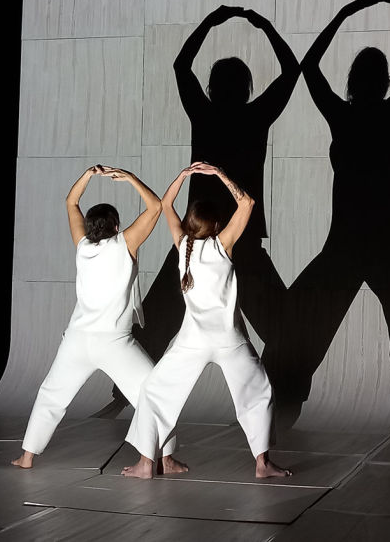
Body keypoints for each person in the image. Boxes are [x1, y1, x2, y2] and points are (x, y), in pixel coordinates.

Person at [262, 0, 390, 434]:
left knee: (310, 317)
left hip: (349, 242)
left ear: (353, 81)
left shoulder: (342, 115)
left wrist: (346, 13)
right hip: (382, 242)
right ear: (384, 82)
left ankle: (287, 396)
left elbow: (309, 65)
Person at [114, 5, 299, 409]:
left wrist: (210, 22)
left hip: (197, 236)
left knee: (162, 312)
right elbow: (291, 71)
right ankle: (281, 398)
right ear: (246, 89)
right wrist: (265, 26)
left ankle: (123, 395)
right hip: (237, 236)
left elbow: (182, 66)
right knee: (282, 324)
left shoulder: (206, 113)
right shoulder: (254, 116)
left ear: (213, 88)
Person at [11, 165, 186, 474]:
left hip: (77, 341)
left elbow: (71, 202)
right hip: (113, 343)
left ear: (90, 227)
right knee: (154, 394)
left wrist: (88, 175)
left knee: (51, 395)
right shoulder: (124, 244)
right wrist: (130, 178)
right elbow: (156, 207)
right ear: (116, 225)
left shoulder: (82, 247)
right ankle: (166, 458)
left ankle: (27, 457)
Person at [122, 162, 290, 479]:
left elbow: (166, 204)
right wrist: (220, 174)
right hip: (229, 340)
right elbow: (247, 203)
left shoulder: (183, 245)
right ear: (215, 224)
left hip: (192, 341)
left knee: (155, 392)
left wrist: (182, 176)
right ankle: (262, 464)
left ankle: (146, 463)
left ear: (189, 223)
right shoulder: (223, 245)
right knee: (258, 393)